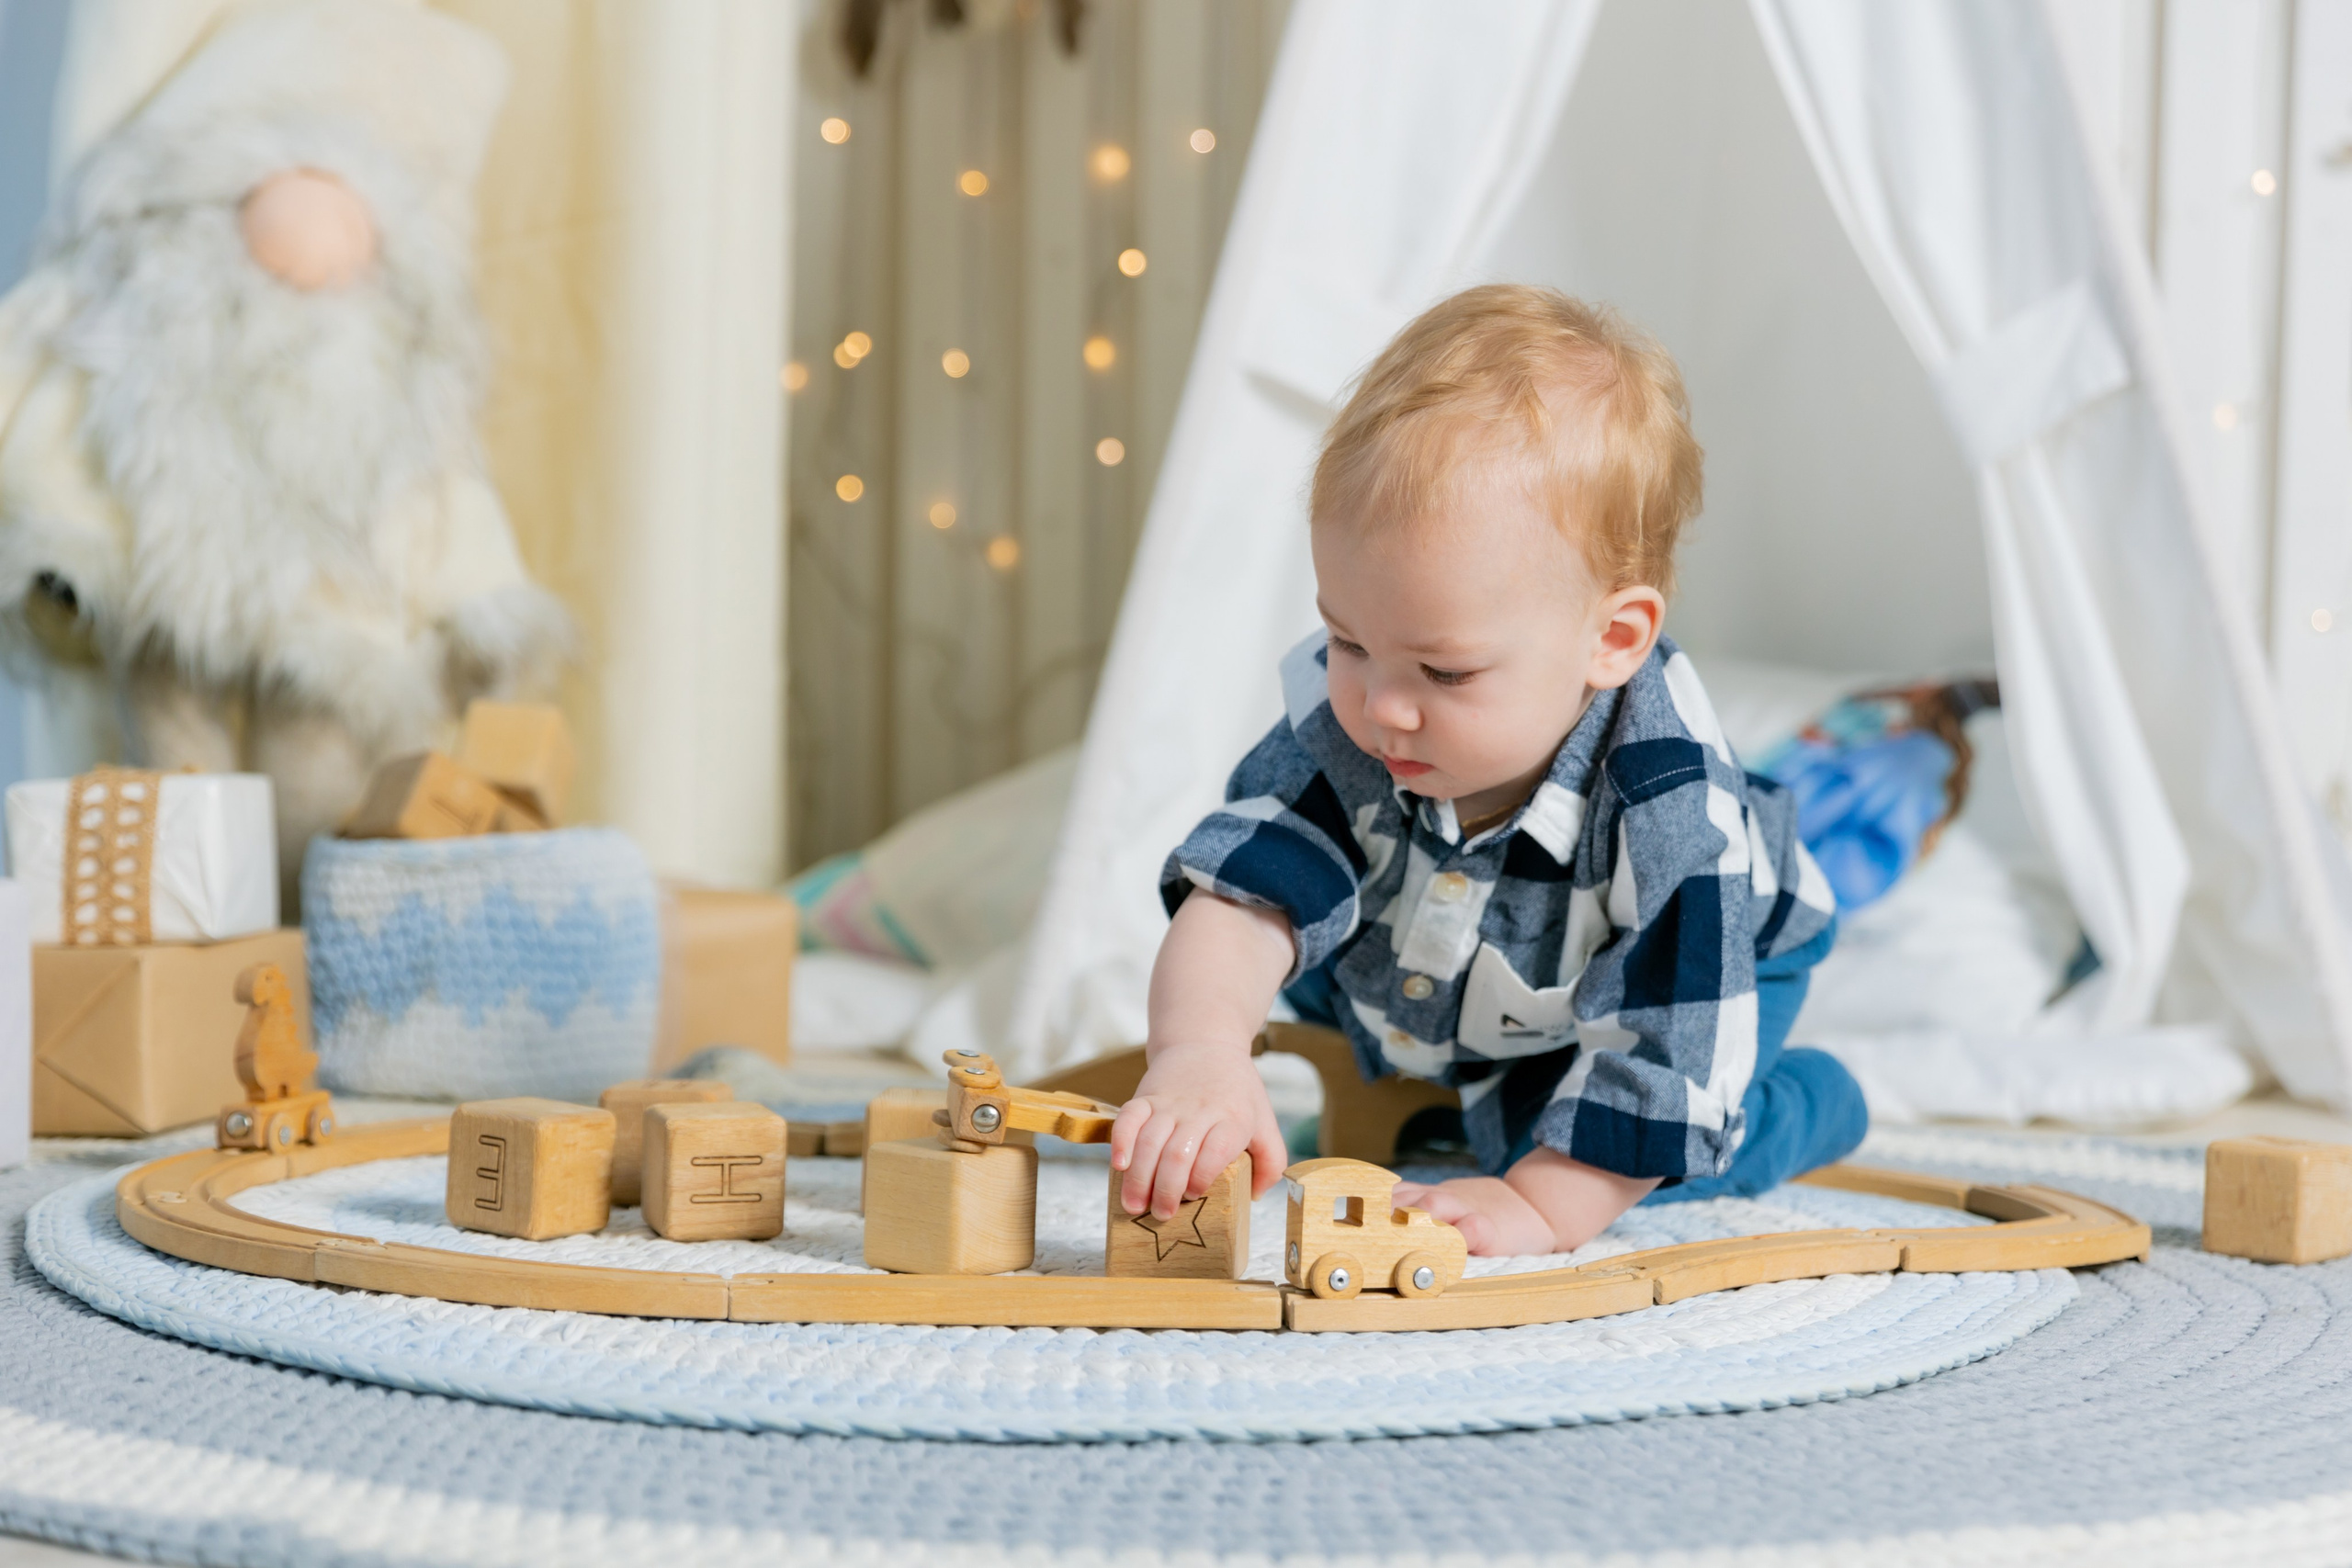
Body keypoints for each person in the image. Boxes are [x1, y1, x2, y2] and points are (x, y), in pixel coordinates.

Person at [1109, 284, 1867, 1256]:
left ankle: (1804, 1104)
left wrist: (1542, 1205)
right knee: (1334, 1009)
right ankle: (1436, 1103)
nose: (1382, 704)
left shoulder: (1671, 806)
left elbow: (1668, 1038)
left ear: (1612, 638)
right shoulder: (1359, 724)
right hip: (1460, 978)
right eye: (1345, 640)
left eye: (1444, 670)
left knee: (1574, 1145)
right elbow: (1247, 894)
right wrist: (1201, 1054)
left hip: (1713, 976)